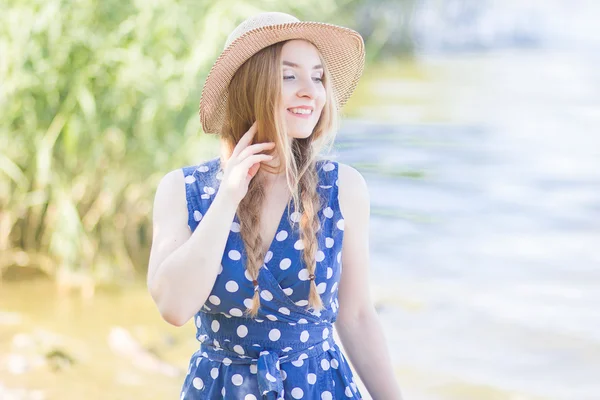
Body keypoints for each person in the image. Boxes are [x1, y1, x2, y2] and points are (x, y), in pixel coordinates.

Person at [147, 11, 403, 400]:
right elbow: (174, 307)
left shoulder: (343, 188)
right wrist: (227, 197)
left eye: (318, 76)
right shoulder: (184, 191)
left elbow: (356, 317)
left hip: (319, 388)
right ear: (252, 87)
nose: (311, 91)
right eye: (290, 76)